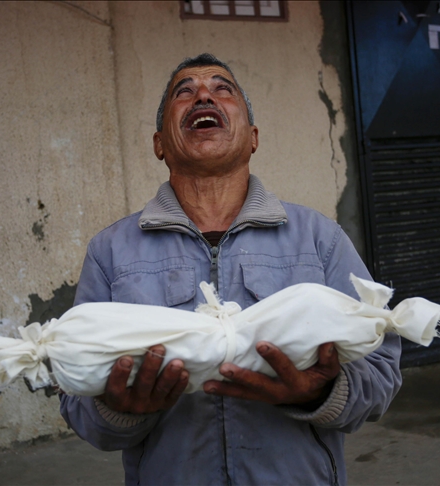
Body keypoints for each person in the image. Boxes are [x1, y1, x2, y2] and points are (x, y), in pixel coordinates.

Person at [60, 53, 401, 485]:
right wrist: (118, 409)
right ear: (159, 143)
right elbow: (76, 402)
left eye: (223, 89)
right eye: (184, 92)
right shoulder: (110, 251)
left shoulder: (319, 238)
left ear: (253, 137)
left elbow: (382, 372)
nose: (203, 95)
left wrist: (321, 391)